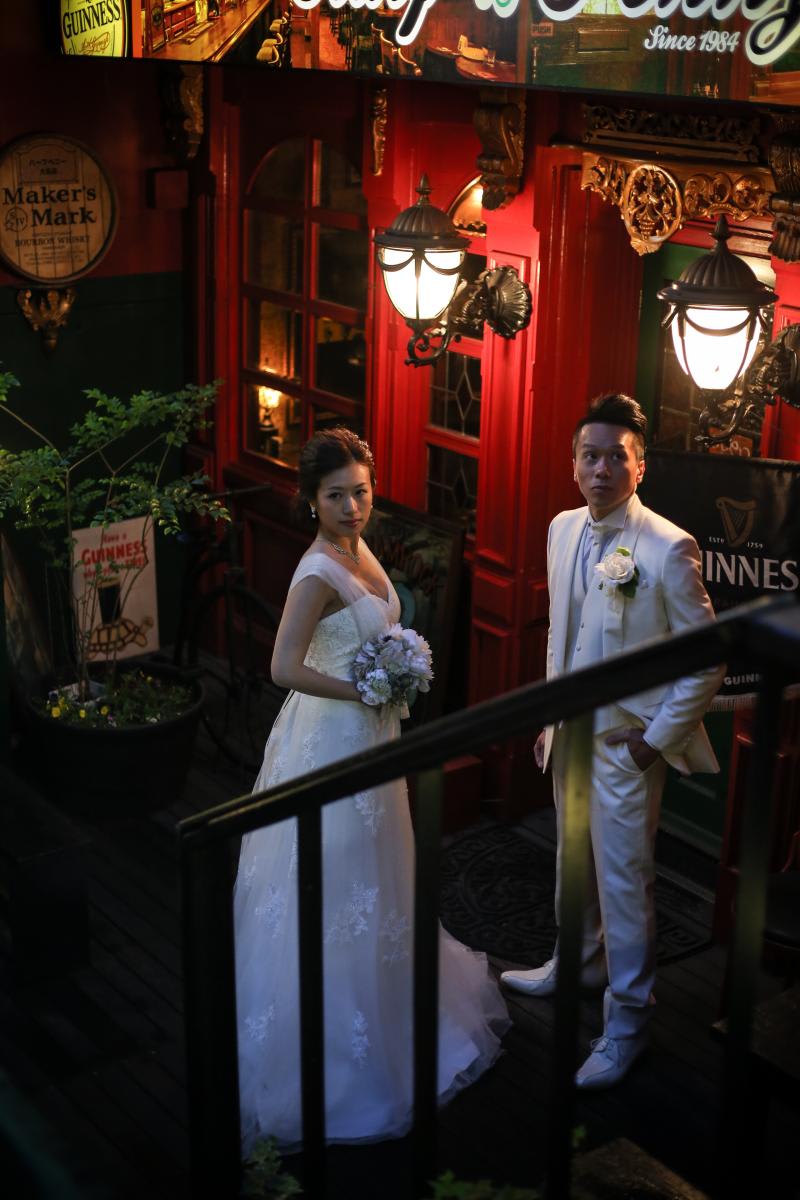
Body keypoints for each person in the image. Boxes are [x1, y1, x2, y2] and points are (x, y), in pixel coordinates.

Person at [234, 428, 509, 1152]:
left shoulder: (360, 549)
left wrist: (394, 668)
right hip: (332, 741)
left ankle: (391, 1003)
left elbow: (378, 625)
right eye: (336, 496)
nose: (352, 506)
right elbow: (283, 667)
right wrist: (362, 688)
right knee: (335, 877)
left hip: (373, 738)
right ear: (311, 501)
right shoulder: (316, 572)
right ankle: (333, 1047)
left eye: (360, 491)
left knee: (379, 870)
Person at [501, 393, 725, 1089]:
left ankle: (628, 1023)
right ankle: (576, 961)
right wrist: (548, 719)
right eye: (590, 456)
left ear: (640, 466)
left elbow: (708, 657)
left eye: (616, 458)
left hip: (626, 746)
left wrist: (655, 740)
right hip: (568, 735)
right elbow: (558, 634)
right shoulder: (562, 528)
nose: (602, 469)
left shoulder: (668, 547)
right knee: (572, 860)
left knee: (625, 880)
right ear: (573, 463)